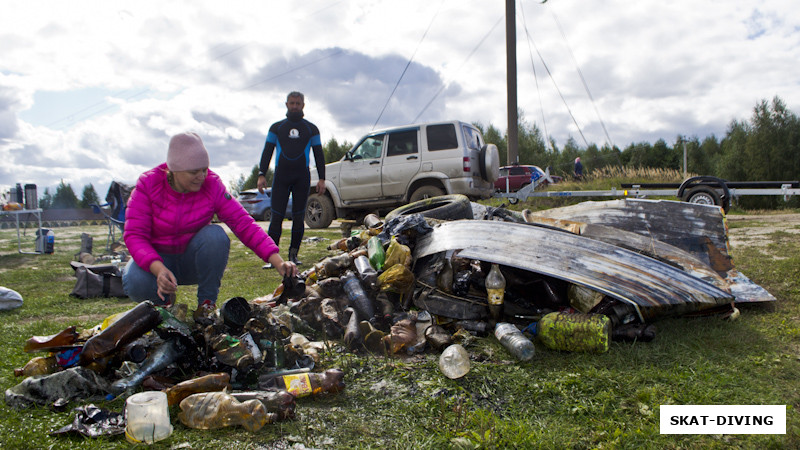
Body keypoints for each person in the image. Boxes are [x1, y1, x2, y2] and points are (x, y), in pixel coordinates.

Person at [123, 132, 297, 307]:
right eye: (194, 172)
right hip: (158, 262)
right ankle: (162, 306)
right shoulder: (148, 184)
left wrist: (279, 262)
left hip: (193, 262)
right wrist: (159, 269)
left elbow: (243, 223)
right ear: (174, 170)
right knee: (134, 279)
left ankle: (206, 306)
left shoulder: (212, 184)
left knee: (215, 236)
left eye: (204, 169)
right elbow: (135, 235)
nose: (202, 176)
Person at [258, 91, 326, 266]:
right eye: (292, 103)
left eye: (298, 103)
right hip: (281, 176)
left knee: (298, 216)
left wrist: (322, 179)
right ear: (286, 104)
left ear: (303, 105)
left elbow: (319, 154)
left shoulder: (311, 129)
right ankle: (272, 257)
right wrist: (261, 174)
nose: (295, 106)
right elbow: (268, 151)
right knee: (276, 216)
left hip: (301, 177)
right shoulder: (276, 128)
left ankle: (293, 255)